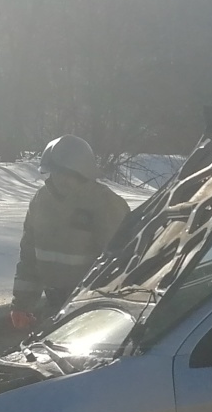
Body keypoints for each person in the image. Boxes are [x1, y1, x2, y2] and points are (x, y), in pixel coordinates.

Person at [11, 135, 130, 331]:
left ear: (81, 173)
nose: (58, 180)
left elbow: (123, 263)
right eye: (54, 173)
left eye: (64, 174)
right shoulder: (41, 201)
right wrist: (21, 305)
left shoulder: (105, 204)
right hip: (54, 304)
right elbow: (29, 257)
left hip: (92, 308)